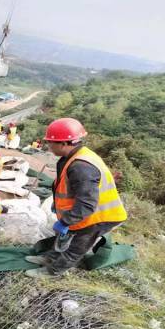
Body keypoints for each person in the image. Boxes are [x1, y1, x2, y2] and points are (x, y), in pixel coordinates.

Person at [25, 118, 127, 277]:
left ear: (64, 143)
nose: (48, 146)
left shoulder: (81, 166)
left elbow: (87, 204)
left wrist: (66, 221)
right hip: (84, 211)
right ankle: (49, 259)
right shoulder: (72, 156)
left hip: (100, 216)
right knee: (64, 237)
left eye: (51, 142)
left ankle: (54, 271)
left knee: (77, 246)